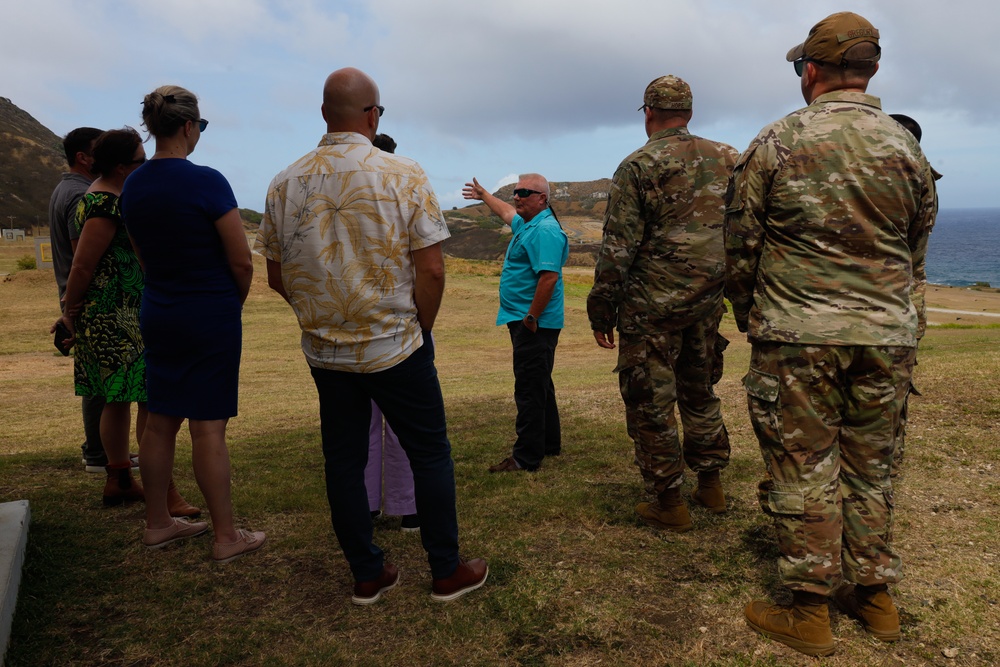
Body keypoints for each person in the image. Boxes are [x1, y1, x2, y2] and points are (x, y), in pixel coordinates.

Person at [724, 12, 937, 656]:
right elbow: (916, 243)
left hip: (799, 336)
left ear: (811, 70)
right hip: (888, 335)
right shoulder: (907, 148)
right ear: (871, 70)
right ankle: (875, 598)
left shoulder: (779, 140)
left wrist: (750, 311)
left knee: (803, 464)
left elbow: (740, 247)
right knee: (873, 466)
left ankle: (809, 609)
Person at [256, 67, 486, 603]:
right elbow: (431, 270)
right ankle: (446, 571)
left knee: (343, 458)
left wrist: (321, 317)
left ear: (322, 114)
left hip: (325, 350)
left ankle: (367, 573)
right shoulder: (402, 174)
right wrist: (420, 329)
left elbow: (276, 274)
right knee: (429, 452)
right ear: (372, 115)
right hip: (396, 343)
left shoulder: (284, 182)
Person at [587, 75, 737, 532]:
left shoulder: (638, 165)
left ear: (648, 112)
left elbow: (619, 247)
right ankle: (710, 484)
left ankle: (669, 502)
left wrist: (602, 308)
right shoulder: (730, 158)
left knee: (651, 401)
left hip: (651, 308)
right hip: (708, 304)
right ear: (688, 113)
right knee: (700, 391)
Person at [122, 85, 264, 562]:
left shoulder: (134, 184)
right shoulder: (207, 181)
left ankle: (158, 522)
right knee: (208, 426)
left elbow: (142, 255)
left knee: (160, 419)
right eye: (200, 127)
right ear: (188, 126)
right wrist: (231, 302)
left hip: (159, 309)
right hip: (209, 313)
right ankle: (227, 536)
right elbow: (241, 261)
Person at [53, 128, 153, 507]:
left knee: (119, 399)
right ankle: (138, 478)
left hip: (121, 311)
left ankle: (122, 478)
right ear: (122, 167)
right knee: (142, 398)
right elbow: (83, 265)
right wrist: (69, 312)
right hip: (118, 315)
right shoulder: (104, 203)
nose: (145, 166)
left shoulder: (102, 196)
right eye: (141, 161)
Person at [462, 174, 569, 473]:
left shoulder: (545, 230)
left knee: (529, 388)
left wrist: (531, 318)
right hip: (528, 321)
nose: (517, 197)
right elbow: (506, 212)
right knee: (540, 382)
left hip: (535, 323)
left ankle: (525, 457)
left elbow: (549, 277)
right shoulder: (528, 223)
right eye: (515, 191)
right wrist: (484, 195)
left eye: (524, 192)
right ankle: (549, 444)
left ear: (542, 198)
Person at [48, 127, 111, 473]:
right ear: (83, 158)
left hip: (75, 297)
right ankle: (98, 454)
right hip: (85, 299)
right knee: (99, 382)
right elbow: (83, 258)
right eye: (97, 151)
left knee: (98, 379)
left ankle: (103, 450)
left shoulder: (65, 188)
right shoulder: (80, 194)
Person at [365, 131, 419, 532]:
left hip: (352, 323)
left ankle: (366, 503)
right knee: (406, 420)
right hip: (402, 323)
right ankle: (408, 506)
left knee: (359, 423)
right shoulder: (406, 190)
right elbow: (429, 266)